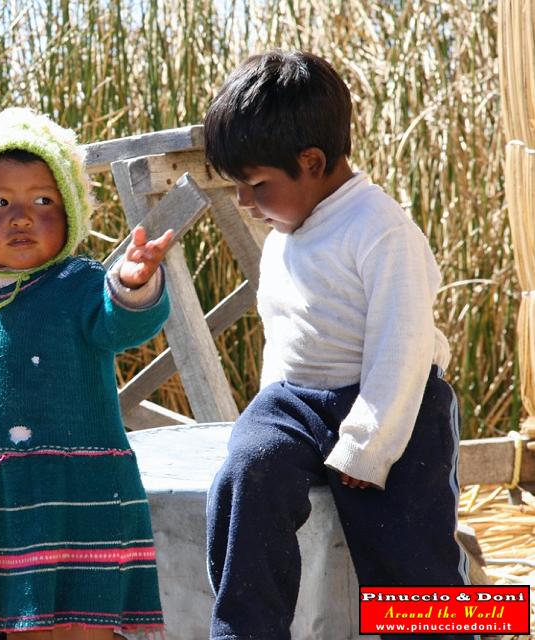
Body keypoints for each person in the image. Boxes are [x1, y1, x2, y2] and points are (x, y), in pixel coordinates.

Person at [202, 50, 472, 640]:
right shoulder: (284, 235)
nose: (247, 204)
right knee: (247, 474)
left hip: (394, 402)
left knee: (412, 546)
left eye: (256, 186)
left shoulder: (380, 229)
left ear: (313, 161)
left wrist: (368, 447)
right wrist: (265, 419)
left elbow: (401, 347)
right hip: (297, 400)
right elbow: (284, 334)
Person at [0, 108, 173, 639]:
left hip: (82, 489)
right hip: (4, 497)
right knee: (21, 621)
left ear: (72, 214)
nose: (22, 216)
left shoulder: (79, 283)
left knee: (86, 625)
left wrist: (133, 281)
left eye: (43, 200)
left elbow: (121, 323)